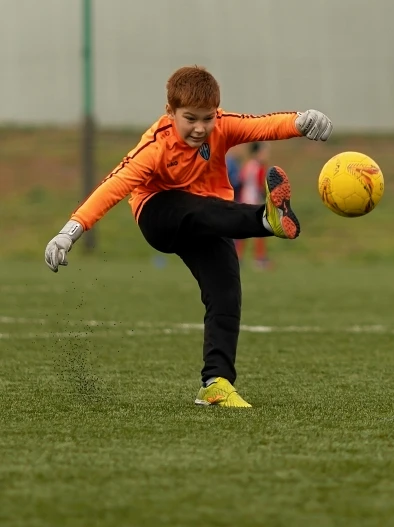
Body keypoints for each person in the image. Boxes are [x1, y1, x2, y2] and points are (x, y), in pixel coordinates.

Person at [44, 66, 332, 408]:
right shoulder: (156, 146)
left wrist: (302, 121)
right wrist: (69, 232)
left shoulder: (220, 125)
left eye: (207, 118)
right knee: (200, 209)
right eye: (190, 118)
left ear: (217, 112)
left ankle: (216, 383)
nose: (200, 128)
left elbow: (262, 124)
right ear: (171, 112)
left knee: (225, 293)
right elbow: (114, 186)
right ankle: (265, 220)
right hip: (160, 214)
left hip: (211, 218)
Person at [235, 142, 271, 269]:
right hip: (255, 202)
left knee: (243, 232)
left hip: (244, 201)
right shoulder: (260, 167)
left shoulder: (247, 165)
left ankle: (238, 258)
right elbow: (262, 186)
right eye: (264, 152)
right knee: (260, 231)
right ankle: (260, 259)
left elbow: (240, 181)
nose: (266, 155)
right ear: (257, 153)